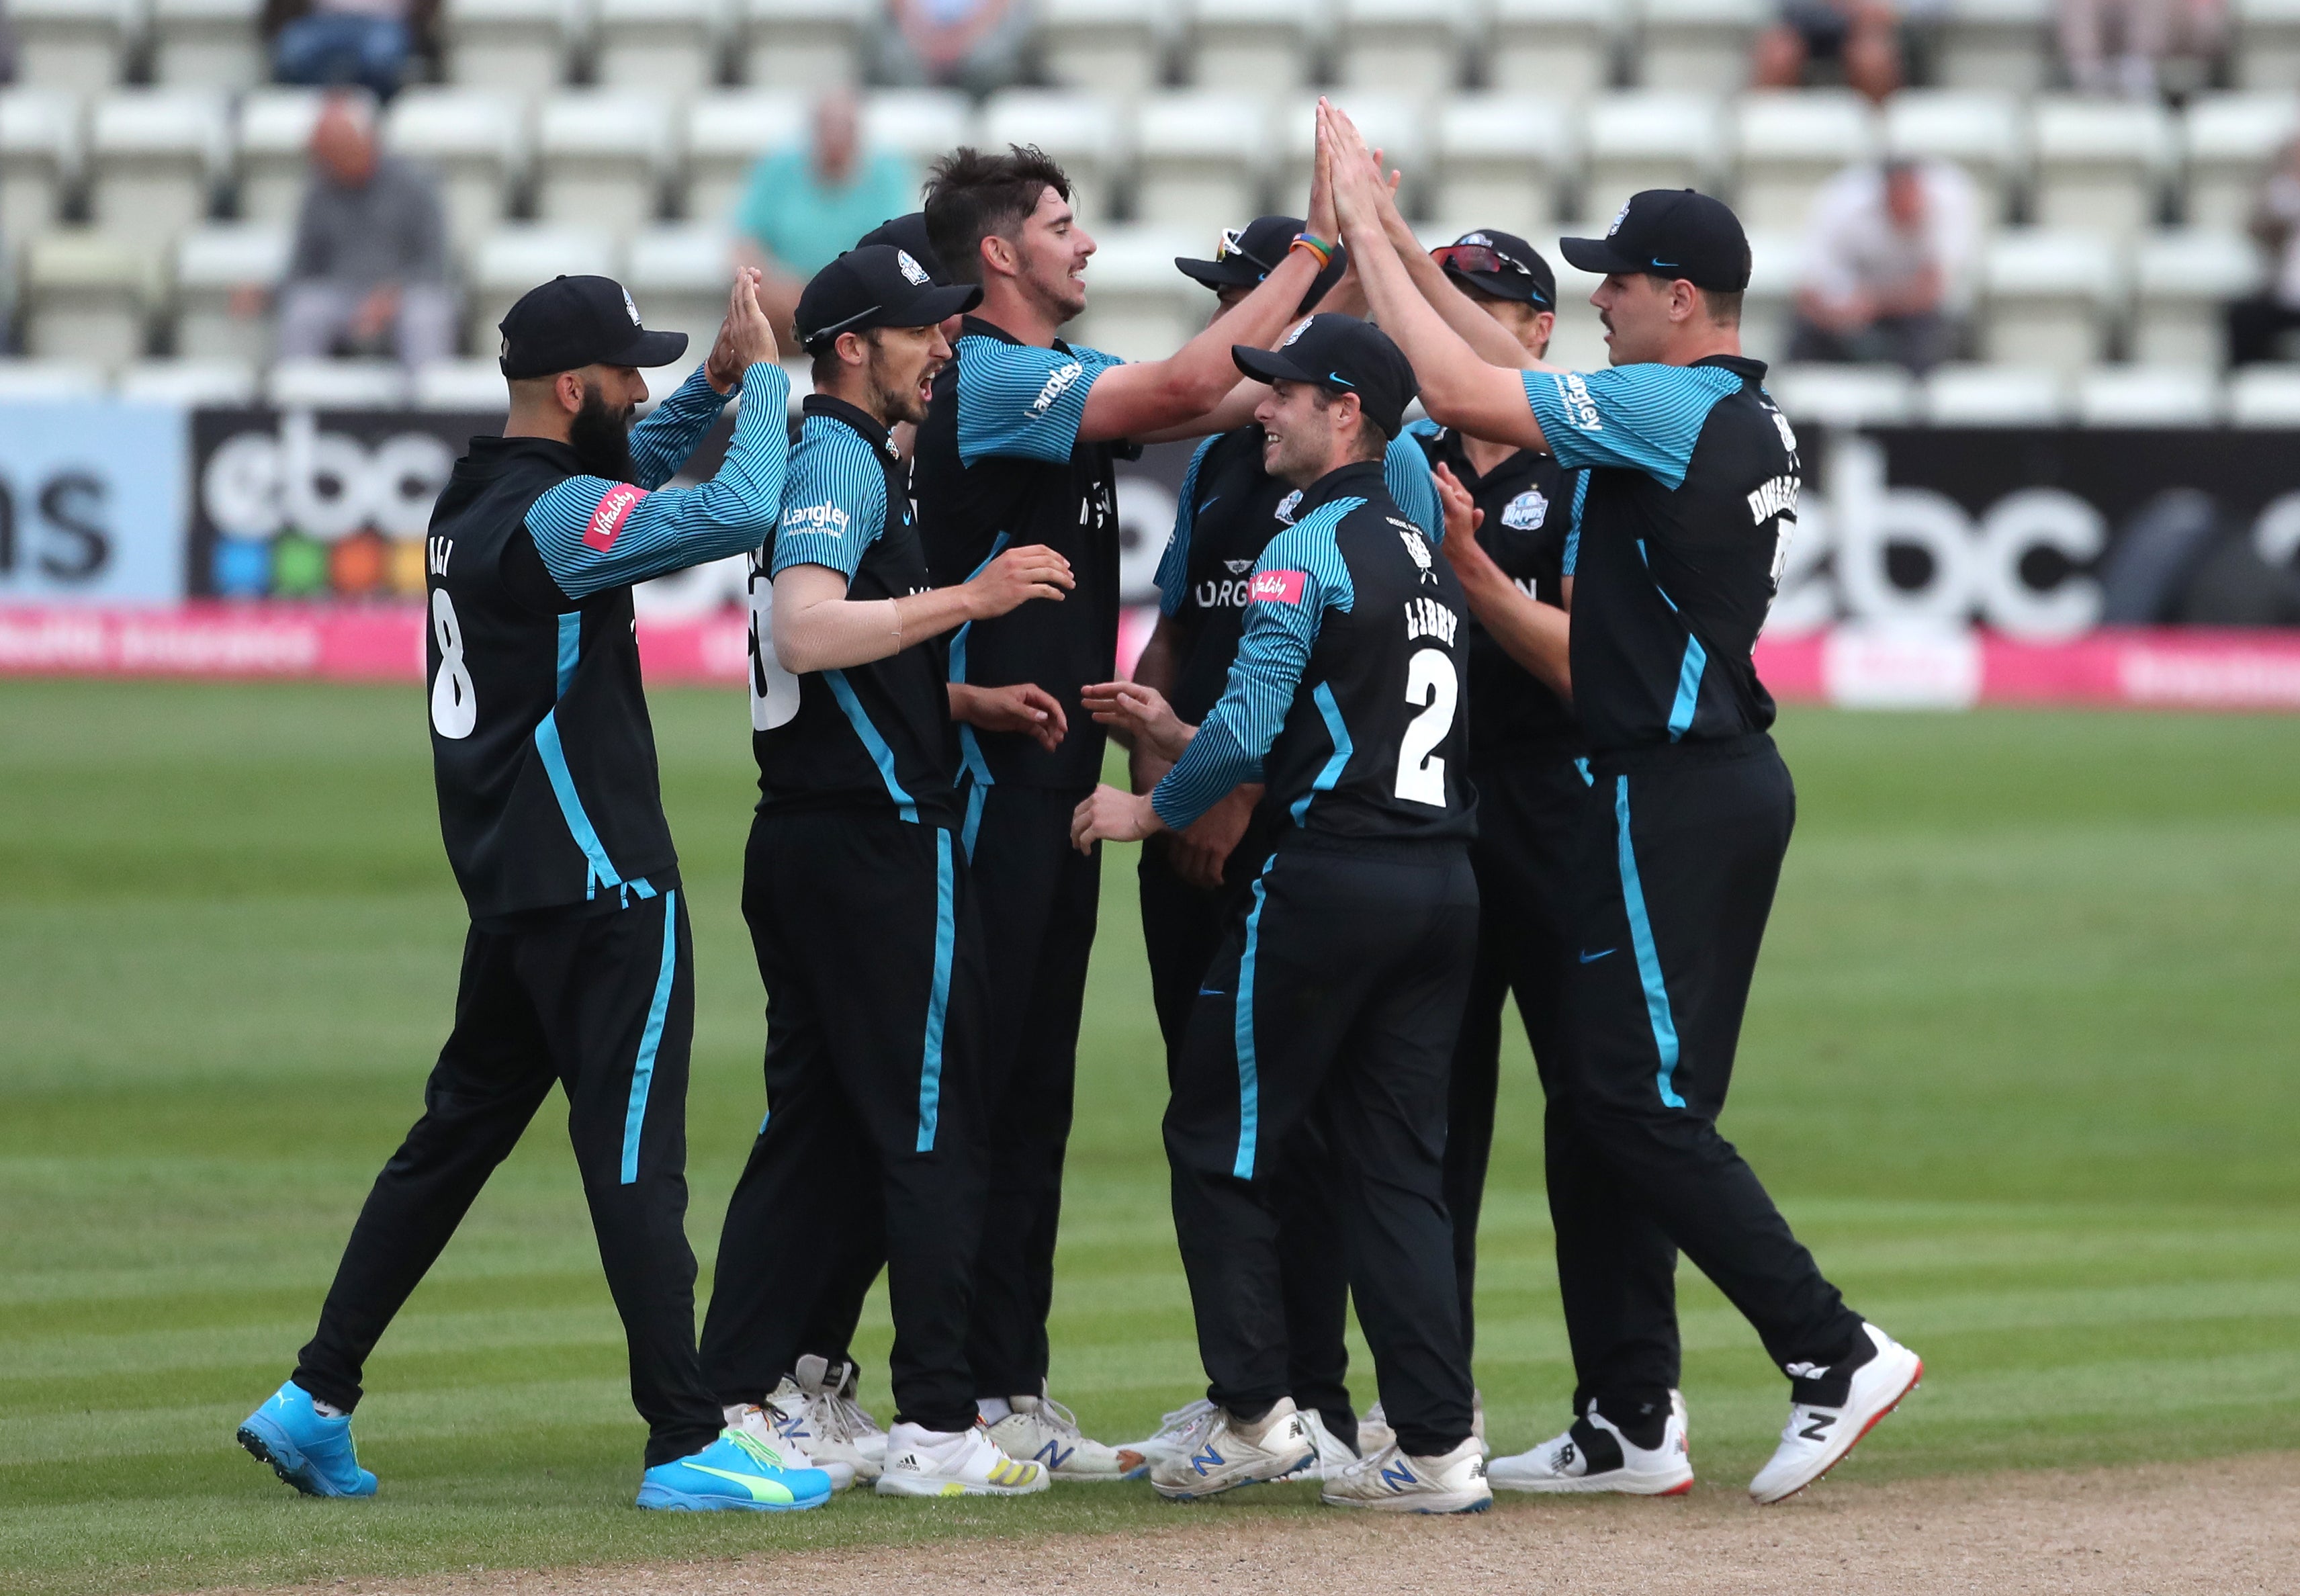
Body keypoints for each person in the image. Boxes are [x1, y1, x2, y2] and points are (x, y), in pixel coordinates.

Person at [1325, 99, 1922, 1506]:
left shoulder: (1672, 407)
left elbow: (1467, 396)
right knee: (1608, 1105)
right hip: (1691, 780)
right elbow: (1494, 363)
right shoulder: (1713, 408)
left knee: (1633, 1102)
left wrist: (1355, 225)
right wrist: (1399, 237)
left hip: (1670, 789)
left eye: (1614, 281)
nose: (1592, 297)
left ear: (1676, 299)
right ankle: (1623, 1422)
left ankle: (1832, 1353)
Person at [235, 269, 834, 1513]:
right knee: (633, 1164)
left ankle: (313, 1396)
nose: (643, 388)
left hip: (512, 887)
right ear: (574, 388)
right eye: (627, 373)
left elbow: (617, 473)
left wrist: (707, 391)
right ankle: (683, 1440)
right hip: (604, 887)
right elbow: (733, 514)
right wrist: (769, 379)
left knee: (449, 1143)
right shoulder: (558, 520)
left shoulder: (474, 498)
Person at [912, 140, 1342, 1480]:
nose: (1083, 243)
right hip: (986, 782)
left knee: (1032, 1090)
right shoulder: (988, 375)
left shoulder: (1058, 384)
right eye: (1060, 223)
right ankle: (946, 1399)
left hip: (1055, 785)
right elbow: (1182, 386)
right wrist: (1312, 256)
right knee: (976, 1087)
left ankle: (1008, 1391)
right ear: (999, 257)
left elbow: (1198, 396)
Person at [1071, 313, 1489, 1516]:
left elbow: (1251, 734)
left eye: (1284, 394)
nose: (1259, 409)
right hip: (1439, 882)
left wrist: (1145, 812)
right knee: (1397, 1168)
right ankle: (1434, 1445)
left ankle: (1254, 1415)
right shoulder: (1418, 546)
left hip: (1328, 881)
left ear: (1344, 410)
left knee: (1215, 1136)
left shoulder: (1305, 547)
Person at [699, 245, 1080, 1499]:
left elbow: (841, 654)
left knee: (809, 1129)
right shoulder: (840, 459)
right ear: (854, 344)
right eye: (922, 330)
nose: (946, 348)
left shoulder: (861, 460)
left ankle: (733, 1397)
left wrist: (958, 701)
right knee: (927, 1123)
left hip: (813, 835)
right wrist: (970, 599)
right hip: (868, 843)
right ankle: (934, 1425)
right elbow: (805, 628)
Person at [1382, 229, 1590, 1460]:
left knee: (1595, 1116)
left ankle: (1625, 1404)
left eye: (1482, 305)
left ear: (1538, 333)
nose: (1455, 323)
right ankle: (1433, 1408)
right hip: (1437, 828)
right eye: (1440, 302)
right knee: (1430, 1128)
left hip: (1557, 818)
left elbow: (1584, 662)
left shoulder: (1582, 467)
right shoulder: (1398, 460)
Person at [275, 91, 455, 368]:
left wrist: (390, 296)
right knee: (304, 311)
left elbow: (435, 264)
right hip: (342, 297)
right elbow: (302, 269)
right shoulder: (319, 194)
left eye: (337, 151)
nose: (329, 163)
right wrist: (264, 295)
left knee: (426, 315)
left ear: (365, 142)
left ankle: (427, 408)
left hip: (404, 298)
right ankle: (299, 403)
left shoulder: (414, 186)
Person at [732, 89, 917, 340]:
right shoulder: (778, 168)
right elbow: (744, 241)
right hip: (782, 303)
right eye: (827, 126)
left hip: (858, 304)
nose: (836, 136)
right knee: (751, 307)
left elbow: (893, 250)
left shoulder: (886, 175)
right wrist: (778, 289)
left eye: (845, 127)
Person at [1789, 159, 1976, 375]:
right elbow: (1808, 289)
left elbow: (1932, 290)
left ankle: (1919, 405)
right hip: (1846, 311)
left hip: (1913, 315)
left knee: (1931, 339)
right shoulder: (1841, 204)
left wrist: (1872, 304)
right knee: (1802, 336)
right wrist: (1837, 313)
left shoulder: (1949, 200)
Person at [2225, 136, 2300, 368]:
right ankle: (2244, 384)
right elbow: (2254, 230)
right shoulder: (2283, 200)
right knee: (2244, 316)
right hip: (2287, 299)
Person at [267, 0, 433, 101]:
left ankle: (370, 116)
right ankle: (320, 115)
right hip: (322, 21)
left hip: (384, 21)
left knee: (382, 57)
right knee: (293, 51)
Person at [2058, 0, 2224, 97]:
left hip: (2183, 33)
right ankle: (2089, 74)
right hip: (2098, 58)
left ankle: (2139, 68)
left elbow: (2210, 28)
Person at [1751, 0, 1902, 101]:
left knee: (1872, 60)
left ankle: (1879, 136)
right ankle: (1770, 136)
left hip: (1858, 23)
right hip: (1796, 21)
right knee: (1779, 55)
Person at [880, 0, 1030, 96]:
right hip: (917, 42)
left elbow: (998, 8)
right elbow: (899, 8)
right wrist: (928, 40)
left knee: (990, 60)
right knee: (899, 58)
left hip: (981, 41)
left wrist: (963, 41)